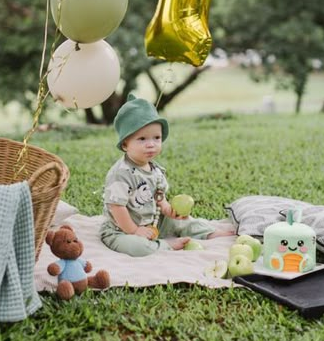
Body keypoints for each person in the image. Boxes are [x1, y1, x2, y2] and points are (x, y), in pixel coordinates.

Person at [100, 94, 234, 257]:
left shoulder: (155, 170)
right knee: (136, 247)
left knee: (182, 221)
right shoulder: (121, 174)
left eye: (156, 138)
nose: (151, 144)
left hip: (154, 223)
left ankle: (209, 232)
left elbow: (158, 196)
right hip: (121, 229)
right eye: (142, 139)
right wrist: (134, 230)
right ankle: (165, 245)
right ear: (125, 144)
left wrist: (166, 208)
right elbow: (116, 207)